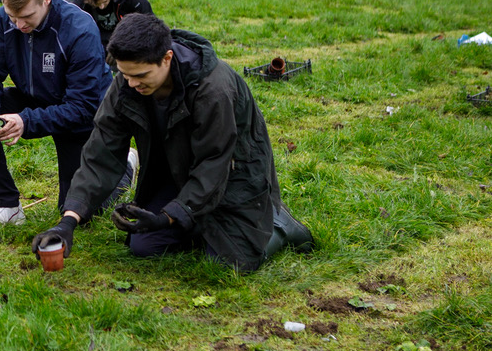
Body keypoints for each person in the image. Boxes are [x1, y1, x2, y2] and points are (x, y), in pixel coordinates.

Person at [31, 14, 314, 273]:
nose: (130, 84)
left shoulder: (213, 90)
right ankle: (196, 223)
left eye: (140, 76)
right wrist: (68, 221)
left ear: (166, 58)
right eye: (124, 74)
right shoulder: (126, 83)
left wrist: (169, 216)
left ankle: (278, 223)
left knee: (233, 263)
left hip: (233, 176)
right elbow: (101, 151)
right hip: (175, 172)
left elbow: (214, 165)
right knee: (143, 247)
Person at [0, 0, 110, 228]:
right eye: (12, 16)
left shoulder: (79, 30)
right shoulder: (4, 20)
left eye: (27, 17)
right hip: (34, 98)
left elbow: (83, 107)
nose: (19, 25)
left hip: (79, 117)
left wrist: (25, 121)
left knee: (80, 213)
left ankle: (121, 166)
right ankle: (6, 205)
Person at [74, 0, 153, 50]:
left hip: (126, 37)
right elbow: (75, 27)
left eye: (105, 2)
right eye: (97, 4)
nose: (101, 7)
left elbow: (149, 23)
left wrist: (120, 46)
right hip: (98, 38)